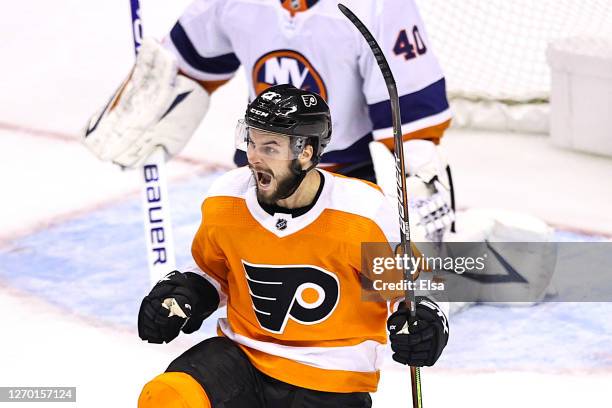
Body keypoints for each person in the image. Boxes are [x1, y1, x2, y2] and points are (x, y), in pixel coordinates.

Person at [136, 85, 449, 407]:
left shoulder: (362, 212)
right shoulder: (226, 198)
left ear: (306, 153)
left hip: (329, 378)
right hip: (240, 359)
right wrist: (185, 294)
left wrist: (426, 318)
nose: (254, 157)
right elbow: (213, 273)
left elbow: (416, 287)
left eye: (270, 147)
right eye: (251, 142)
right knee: (170, 397)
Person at [82, 0, 455, 242]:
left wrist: (411, 225)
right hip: (262, 179)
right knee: (243, 294)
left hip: (349, 185)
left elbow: (414, 126)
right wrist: (151, 103)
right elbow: (183, 68)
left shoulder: (377, 6)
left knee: (378, 293)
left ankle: (448, 255)